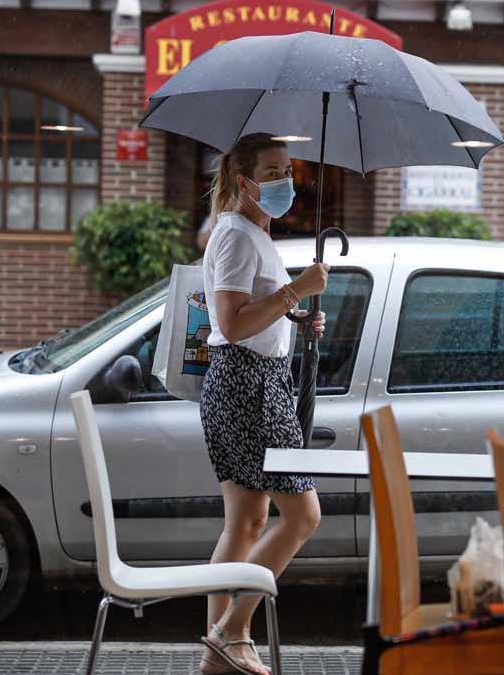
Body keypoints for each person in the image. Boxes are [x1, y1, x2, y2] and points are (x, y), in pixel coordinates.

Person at [197, 133, 329, 675]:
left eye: (287, 171)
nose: (283, 182)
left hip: (257, 378)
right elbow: (229, 324)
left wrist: (296, 317)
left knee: (247, 523)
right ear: (243, 180)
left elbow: (256, 316)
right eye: (271, 172)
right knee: (303, 514)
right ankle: (230, 630)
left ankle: (222, 649)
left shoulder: (254, 233)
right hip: (245, 385)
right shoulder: (235, 236)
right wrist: (295, 292)